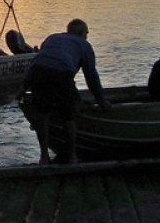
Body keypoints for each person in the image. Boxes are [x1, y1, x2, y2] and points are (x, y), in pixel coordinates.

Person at [24, 18, 110, 165]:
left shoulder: (52, 38)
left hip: (37, 72)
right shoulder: (84, 45)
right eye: (87, 33)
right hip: (61, 74)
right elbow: (91, 77)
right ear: (82, 33)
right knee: (68, 117)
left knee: (42, 115)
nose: (87, 36)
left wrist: (24, 88)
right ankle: (72, 157)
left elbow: (40, 60)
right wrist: (102, 101)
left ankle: (44, 157)